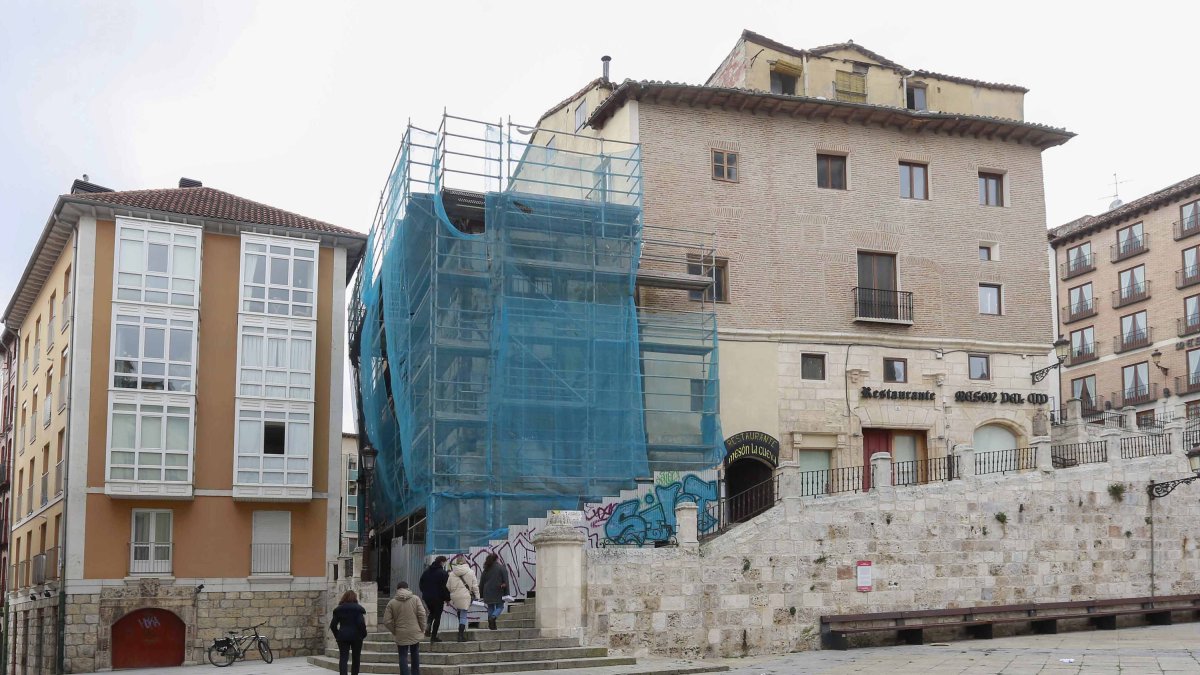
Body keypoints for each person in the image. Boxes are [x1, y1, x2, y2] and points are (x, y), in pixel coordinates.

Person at [383, 581, 428, 675]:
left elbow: (386, 621)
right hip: (415, 631)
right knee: (415, 653)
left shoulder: (392, 602)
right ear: (408, 588)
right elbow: (422, 614)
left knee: (403, 656)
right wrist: (422, 627)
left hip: (400, 632)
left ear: (397, 589)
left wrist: (394, 630)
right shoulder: (415, 599)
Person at [329, 590, 367, 675]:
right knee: (356, 658)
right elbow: (361, 623)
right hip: (356, 636)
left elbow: (333, 625)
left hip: (343, 636)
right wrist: (363, 634)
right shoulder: (358, 609)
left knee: (343, 658)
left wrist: (337, 635)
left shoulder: (339, 610)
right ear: (355, 598)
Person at [445, 555, 480, 642]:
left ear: (456, 562)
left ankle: (461, 629)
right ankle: (460, 635)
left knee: (460, 611)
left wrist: (454, 592)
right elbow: (475, 586)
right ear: (465, 562)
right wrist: (477, 596)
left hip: (455, 596)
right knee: (464, 614)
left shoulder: (452, 573)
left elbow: (448, 586)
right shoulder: (471, 572)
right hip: (465, 596)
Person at [418, 555, 450, 643]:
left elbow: (421, 584)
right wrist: (447, 598)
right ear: (442, 562)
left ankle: (428, 628)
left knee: (431, 612)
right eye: (444, 562)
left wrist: (425, 592)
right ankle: (433, 637)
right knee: (437, 617)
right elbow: (445, 588)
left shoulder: (426, 572)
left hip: (427, 598)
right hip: (438, 598)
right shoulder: (443, 573)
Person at [478, 553, 510, 631]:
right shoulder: (501, 568)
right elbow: (506, 581)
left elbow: (482, 582)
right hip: (498, 590)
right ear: (497, 559)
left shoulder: (486, 569)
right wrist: (507, 594)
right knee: (500, 607)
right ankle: (493, 617)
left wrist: (481, 594)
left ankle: (492, 626)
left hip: (487, 591)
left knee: (490, 607)